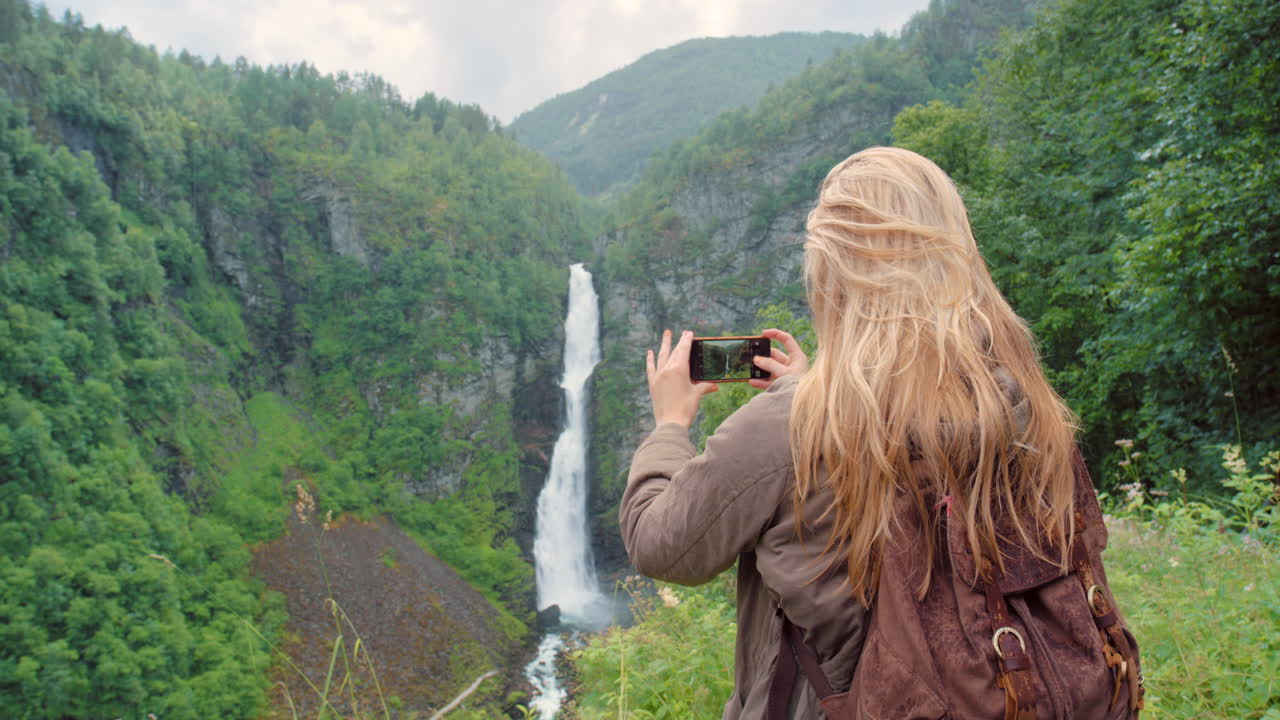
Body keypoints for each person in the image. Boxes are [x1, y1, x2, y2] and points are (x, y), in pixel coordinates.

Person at [619, 146, 1086, 719]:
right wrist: (819, 385)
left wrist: (670, 423)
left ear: (830, 272)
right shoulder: (1015, 400)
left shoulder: (792, 427)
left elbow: (660, 544)